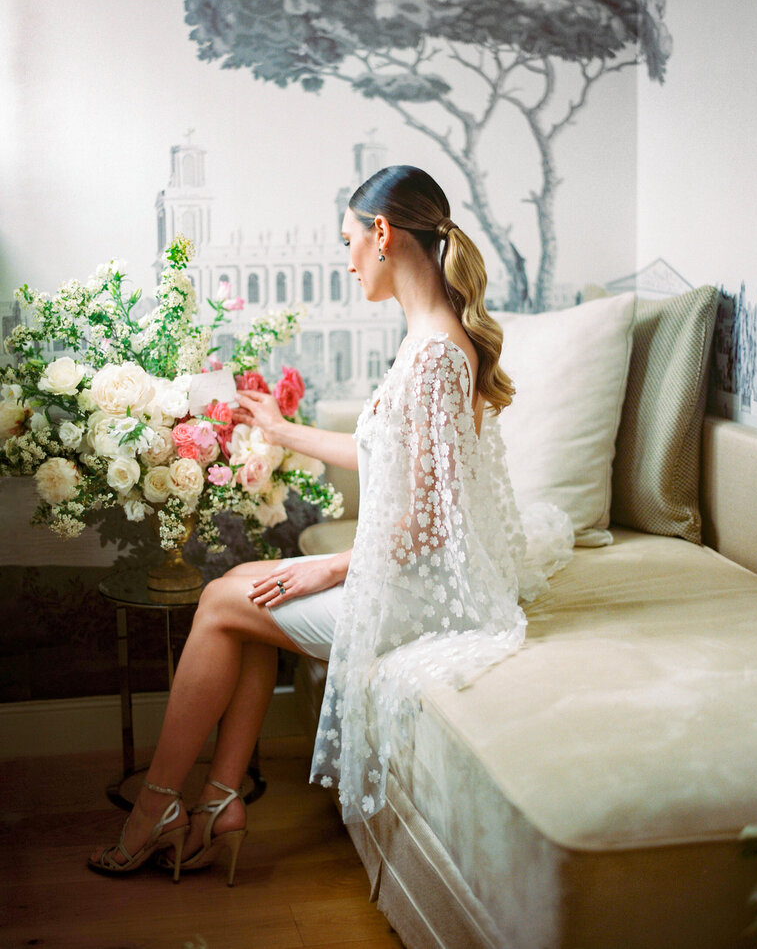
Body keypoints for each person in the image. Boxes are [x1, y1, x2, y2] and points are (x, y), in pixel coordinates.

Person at [88, 164, 572, 882]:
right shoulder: (425, 341)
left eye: (349, 240)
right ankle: (219, 800)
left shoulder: (435, 354)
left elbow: (429, 522)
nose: (345, 261)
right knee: (251, 590)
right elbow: (380, 454)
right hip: (409, 572)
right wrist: (282, 432)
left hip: (423, 597)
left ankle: (158, 807)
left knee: (225, 599)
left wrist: (329, 566)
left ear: (383, 234)